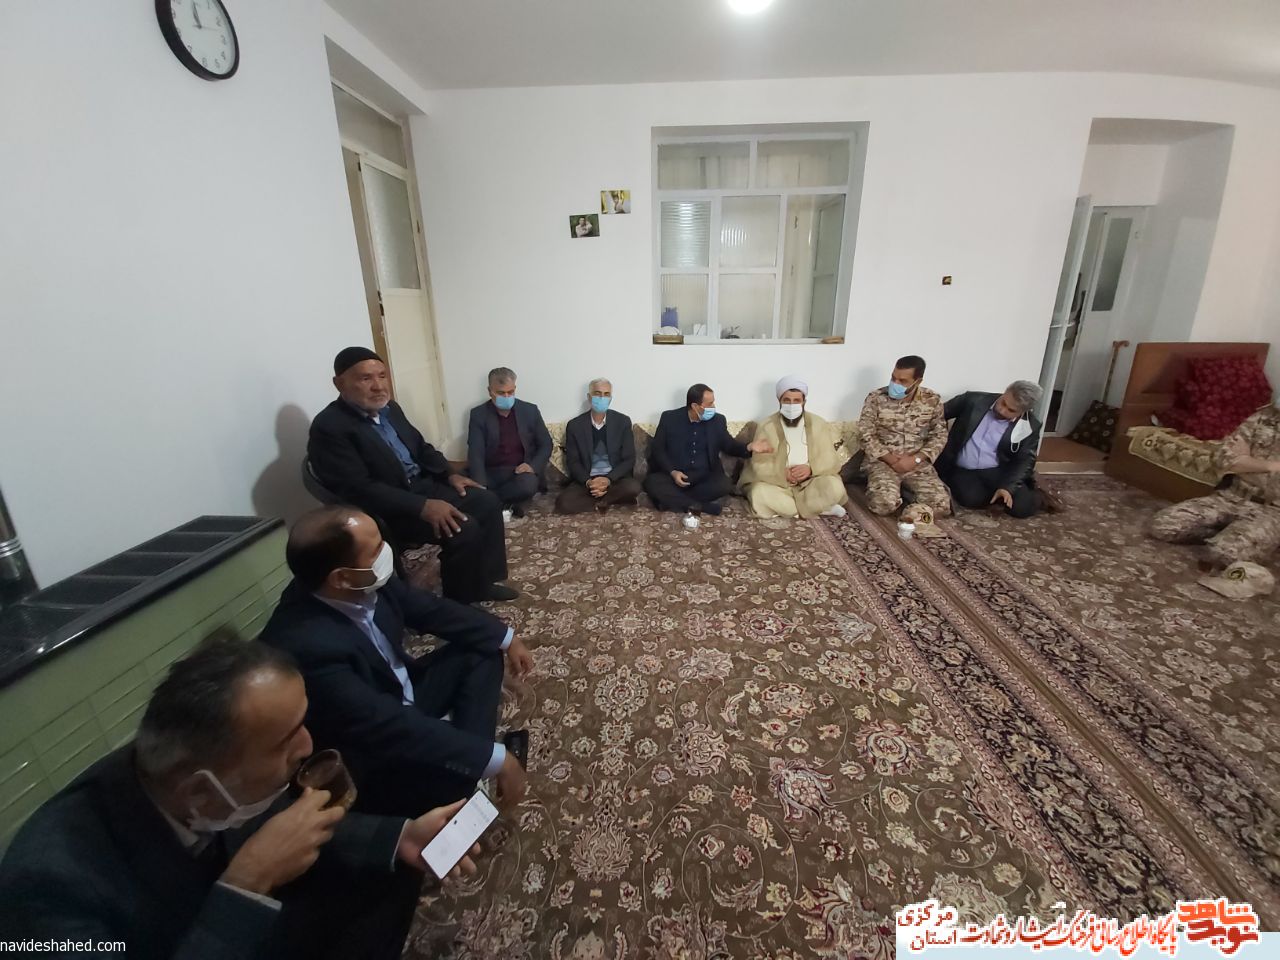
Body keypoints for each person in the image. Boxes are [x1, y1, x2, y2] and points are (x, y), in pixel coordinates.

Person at [0, 632, 481, 960]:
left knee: (383, 872)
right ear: (200, 790)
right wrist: (245, 885)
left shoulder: (208, 784)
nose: (308, 746)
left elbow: (280, 820)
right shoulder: (46, 888)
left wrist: (401, 837)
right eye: (284, 741)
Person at [260, 506, 531, 819]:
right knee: (446, 792)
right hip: (374, 751)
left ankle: (467, 763)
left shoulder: (361, 580)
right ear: (341, 577)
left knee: (482, 650)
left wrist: (506, 637)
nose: (387, 552)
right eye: (376, 549)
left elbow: (430, 610)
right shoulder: (308, 647)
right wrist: (497, 759)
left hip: (401, 692)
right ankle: (461, 773)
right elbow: (387, 726)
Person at [308, 346, 515, 604]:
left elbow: (421, 448)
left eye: (382, 376)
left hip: (420, 485)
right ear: (339, 383)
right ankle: (461, 601)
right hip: (389, 507)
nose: (378, 386)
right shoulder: (329, 427)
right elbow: (358, 489)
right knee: (463, 526)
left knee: (487, 501)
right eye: (365, 378)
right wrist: (422, 506)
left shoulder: (390, 410)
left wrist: (450, 474)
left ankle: (484, 582)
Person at [1149, 399, 1280, 566]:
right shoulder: (1264, 416)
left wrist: (1247, 462)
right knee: (1162, 525)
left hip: (1271, 511)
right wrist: (1270, 466)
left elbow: (1243, 465)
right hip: (1230, 497)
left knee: (1223, 554)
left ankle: (1232, 540)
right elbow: (1224, 459)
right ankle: (1223, 534)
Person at [937, 380, 1062, 519]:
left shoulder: (1030, 426)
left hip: (998, 470)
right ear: (1005, 392)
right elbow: (936, 414)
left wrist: (1007, 487)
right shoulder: (973, 400)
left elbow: (1025, 460)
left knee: (1022, 509)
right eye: (1003, 403)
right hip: (965, 469)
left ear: (1024, 411)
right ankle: (997, 498)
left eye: (1011, 410)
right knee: (969, 499)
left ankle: (1036, 493)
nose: (1002, 410)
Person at [644, 383, 773, 515]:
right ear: (695, 406)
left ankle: (674, 502)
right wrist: (673, 472)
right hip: (674, 477)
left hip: (704, 478)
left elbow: (729, 445)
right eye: (710, 404)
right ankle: (701, 506)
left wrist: (749, 447)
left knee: (724, 485)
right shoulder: (669, 419)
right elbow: (658, 449)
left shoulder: (718, 421)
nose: (713, 407)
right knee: (652, 483)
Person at [740, 376, 848, 518]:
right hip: (777, 484)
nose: (791, 405)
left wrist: (810, 469)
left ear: (804, 402)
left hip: (811, 483)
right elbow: (759, 463)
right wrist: (781, 473)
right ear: (779, 401)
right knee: (758, 493)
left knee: (834, 486)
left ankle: (788, 511)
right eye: (787, 400)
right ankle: (817, 508)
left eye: (796, 400)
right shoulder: (767, 425)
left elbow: (829, 459)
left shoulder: (818, 423)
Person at [857, 355, 952, 517]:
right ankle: (897, 494)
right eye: (893, 378)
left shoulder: (932, 400)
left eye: (903, 381)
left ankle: (908, 500)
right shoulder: (876, 398)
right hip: (882, 462)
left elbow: (940, 435)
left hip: (916, 463)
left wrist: (916, 459)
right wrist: (891, 459)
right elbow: (865, 433)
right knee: (882, 505)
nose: (895, 384)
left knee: (941, 506)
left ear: (918, 381)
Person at [467, 366, 553, 518]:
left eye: (510, 392)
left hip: (520, 472)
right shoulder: (478, 414)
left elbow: (546, 444)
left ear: (515, 389)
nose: (506, 396)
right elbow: (476, 453)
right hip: (492, 472)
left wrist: (532, 466)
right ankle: (506, 503)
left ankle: (490, 501)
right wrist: (481, 484)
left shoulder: (530, 410)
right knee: (465, 485)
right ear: (490, 391)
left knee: (527, 485)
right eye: (501, 393)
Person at [556, 377, 642, 514]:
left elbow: (629, 459)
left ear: (610, 398)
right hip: (587, 481)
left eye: (606, 394)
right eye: (598, 393)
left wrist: (608, 479)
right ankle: (608, 500)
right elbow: (573, 461)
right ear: (589, 397)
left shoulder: (623, 422)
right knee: (563, 503)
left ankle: (601, 500)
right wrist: (589, 482)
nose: (602, 398)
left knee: (633, 487)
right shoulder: (575, 425)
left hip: (614, 480)